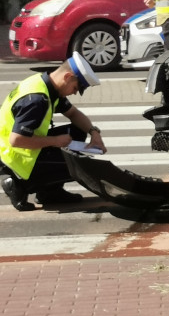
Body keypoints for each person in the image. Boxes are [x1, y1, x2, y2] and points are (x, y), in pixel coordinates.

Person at [1, 53, 105, 211]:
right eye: (76, 88)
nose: (75, 93)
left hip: (20, 147)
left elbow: (73, 114)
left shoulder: (46, 85)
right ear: (68, 77)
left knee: (77, 131)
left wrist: (94, 132)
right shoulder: (37, 100)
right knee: (76, 164)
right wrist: (55, 141)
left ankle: (50, 193)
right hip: (14, 155)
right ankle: (18, 184)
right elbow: (16, 140)